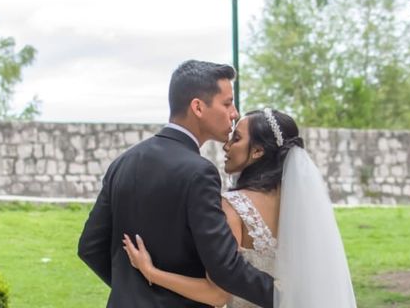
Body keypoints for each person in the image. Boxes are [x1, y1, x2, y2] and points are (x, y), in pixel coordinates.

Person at [78, 60, 274, 308]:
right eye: (227, 103)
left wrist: (134, 291)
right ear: (198, 107)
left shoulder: (123, 162)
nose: (234, 113)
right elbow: (224, 266)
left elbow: (89, 247)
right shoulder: (199, 172)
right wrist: (288, 298)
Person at [123, 108, 357, 308]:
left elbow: (217, 295)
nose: (226, 145)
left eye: (236, 139)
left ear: (257, 151)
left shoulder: (233, 206)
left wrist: (151, 272)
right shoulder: (304, 207)